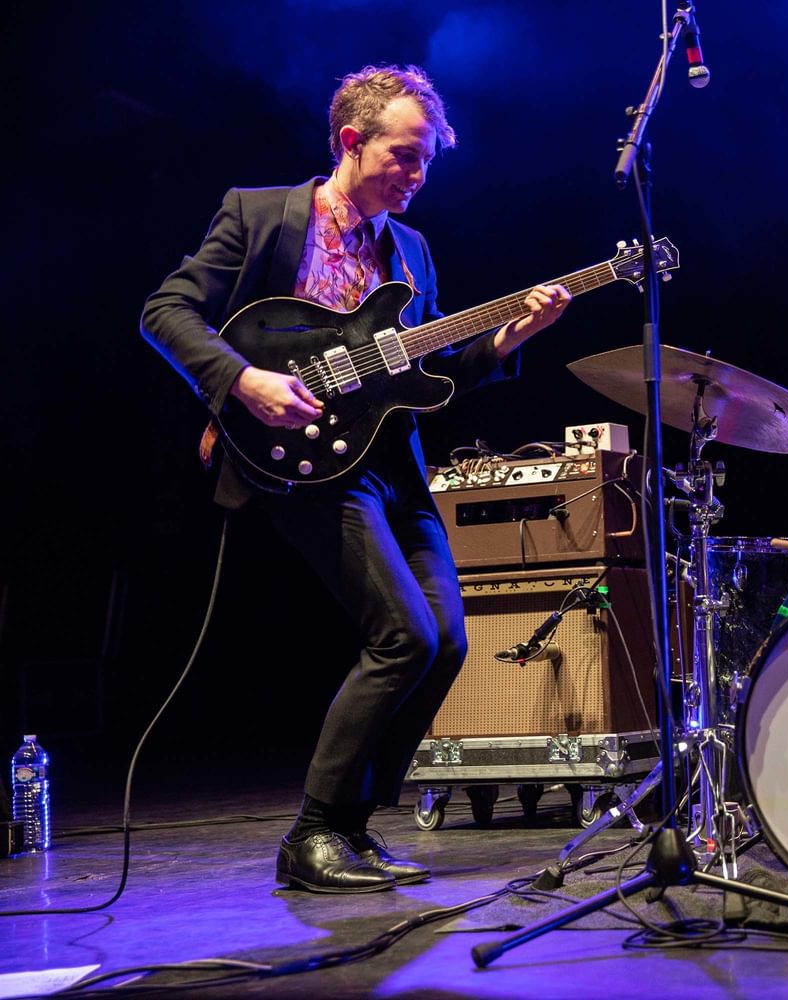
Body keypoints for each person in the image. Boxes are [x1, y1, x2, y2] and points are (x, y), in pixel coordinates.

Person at [141, 65, 571, 892]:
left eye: (425, 164)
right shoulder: (261, 214)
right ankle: (309, 835)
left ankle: (351, 829)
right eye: (404, 157)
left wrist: (509, 338)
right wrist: (240, 379)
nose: (416, 177)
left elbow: (430, 378)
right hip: (301, 468)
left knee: (446, 642)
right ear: (352, 141)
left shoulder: (410, 252)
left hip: (390, 469)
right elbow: (166, 310)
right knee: (402, 634)